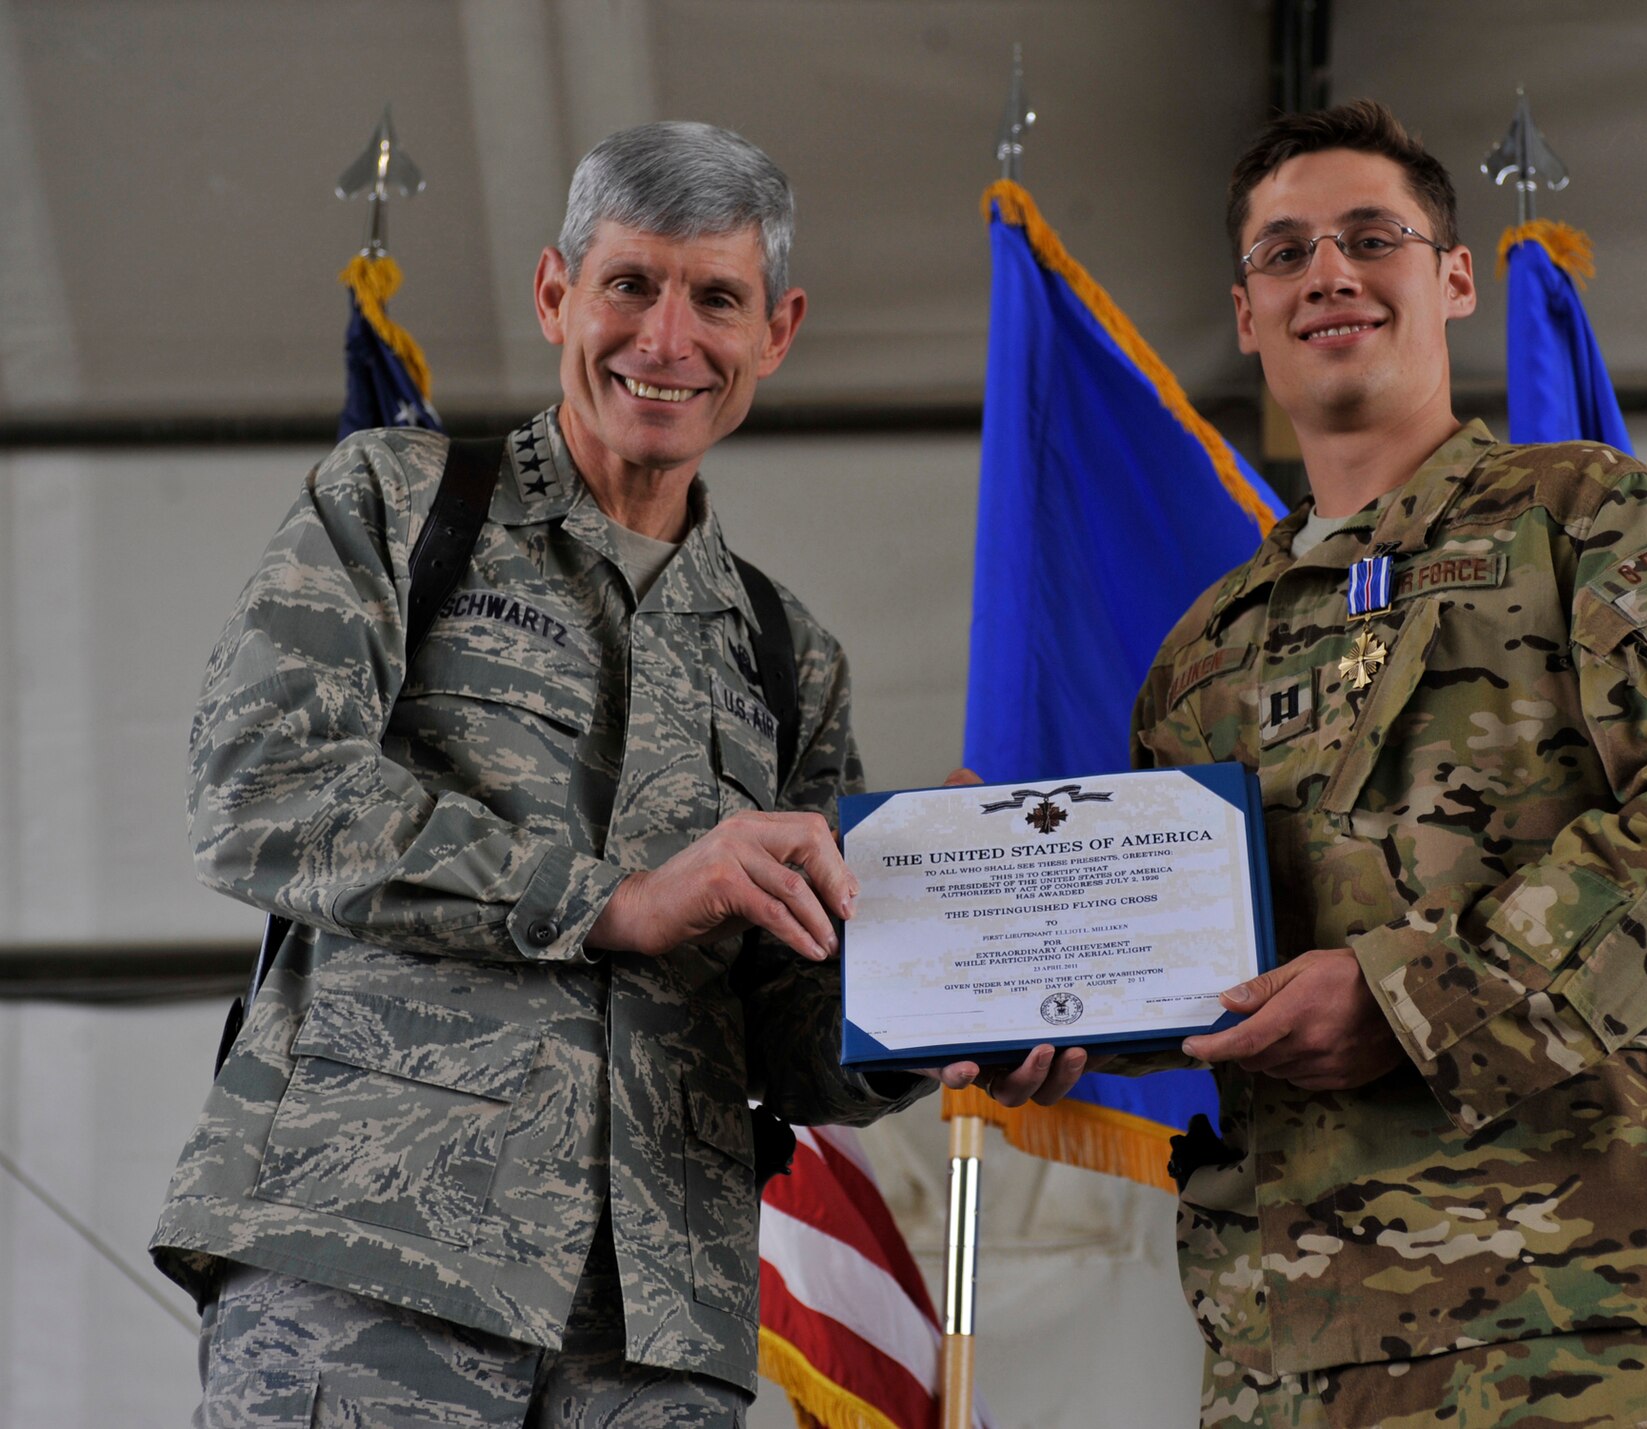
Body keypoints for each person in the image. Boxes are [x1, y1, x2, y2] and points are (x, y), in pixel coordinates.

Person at [153, 121, 1085, 1427]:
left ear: (779, 330)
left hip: (658, 1332)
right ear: (555, 294)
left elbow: (791, 1028)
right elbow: (263, 791)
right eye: (630, 285)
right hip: (369, 1263)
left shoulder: (786, 653)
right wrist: (615, 898)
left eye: (717, 298)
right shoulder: (402, 504)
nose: (667, 340)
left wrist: (950, 1006)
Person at [1131, 101, 1647, 1428]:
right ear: (1246, 312)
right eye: (1286, 254)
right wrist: (1034, 1017)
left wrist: (1421, 996)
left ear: (1452, 278)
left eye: (1369, 239)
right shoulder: (1203, 655)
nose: (1328, 274)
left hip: (1578, 1325)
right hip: (1288, 1354)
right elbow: (1183, 960)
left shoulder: (1584, 515)